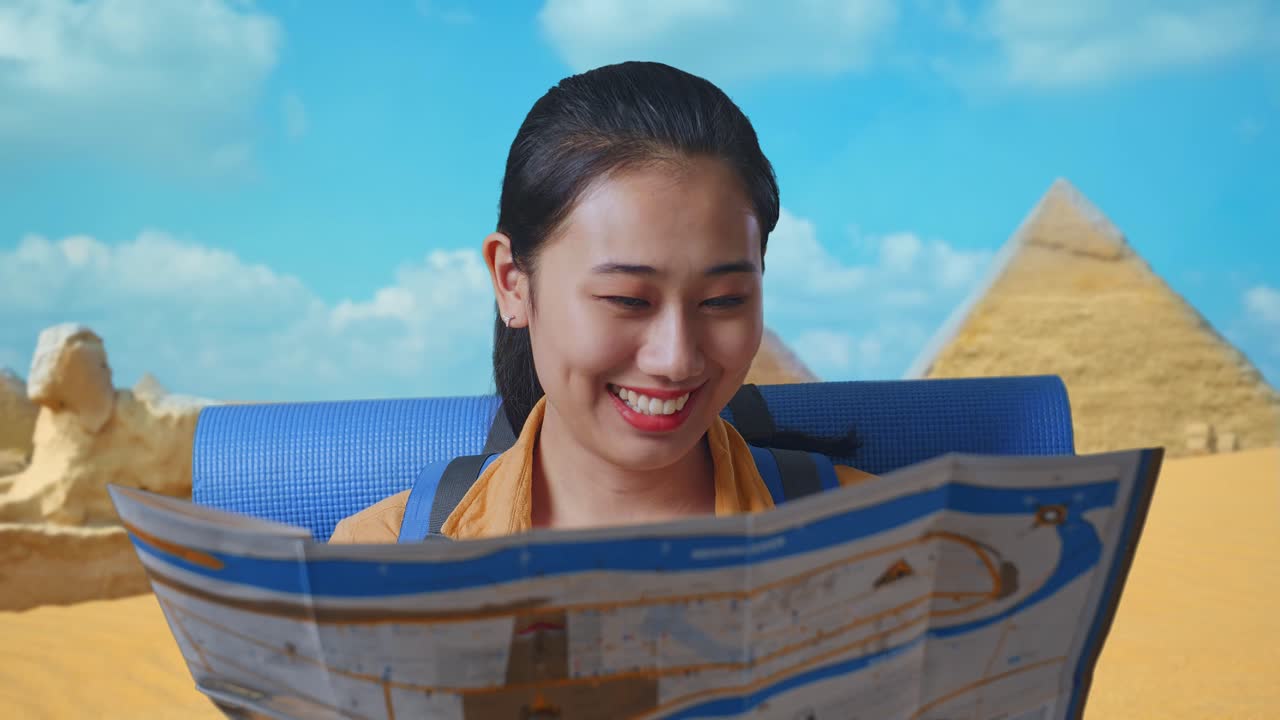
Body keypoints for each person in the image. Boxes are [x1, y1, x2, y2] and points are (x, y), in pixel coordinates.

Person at [330, 61, 872, 544]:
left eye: (723, 300)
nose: (676, 358)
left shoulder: (878, 543)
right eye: (627, 300)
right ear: (512, 282)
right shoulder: (374, 556)